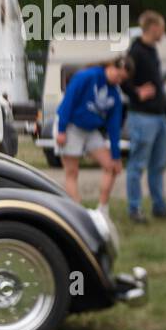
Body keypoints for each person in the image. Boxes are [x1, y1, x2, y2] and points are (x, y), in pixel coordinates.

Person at [55, 56, 133, 216]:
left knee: (111, 167)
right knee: (72, 172)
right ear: (111, 66)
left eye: (123, 79)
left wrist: (116, 156)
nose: (119, 81)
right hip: (71, 126)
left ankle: (102, 209)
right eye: (118, 76)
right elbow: (68, 101)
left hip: (90, 131)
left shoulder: (114, 95)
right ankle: (77, 213)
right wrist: (61, 129)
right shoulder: (87, 76)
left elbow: (113, 126)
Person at [122, 11, 166, 223]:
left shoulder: (152, 51)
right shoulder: (136, 51)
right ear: (153, 28)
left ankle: (159, 205)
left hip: (159, 117)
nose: (164, 32)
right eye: (162, 27)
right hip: (142, 117)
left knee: (158, 164)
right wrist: (136, 93)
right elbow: (122, 79)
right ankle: (134, 208)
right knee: (137, 164)